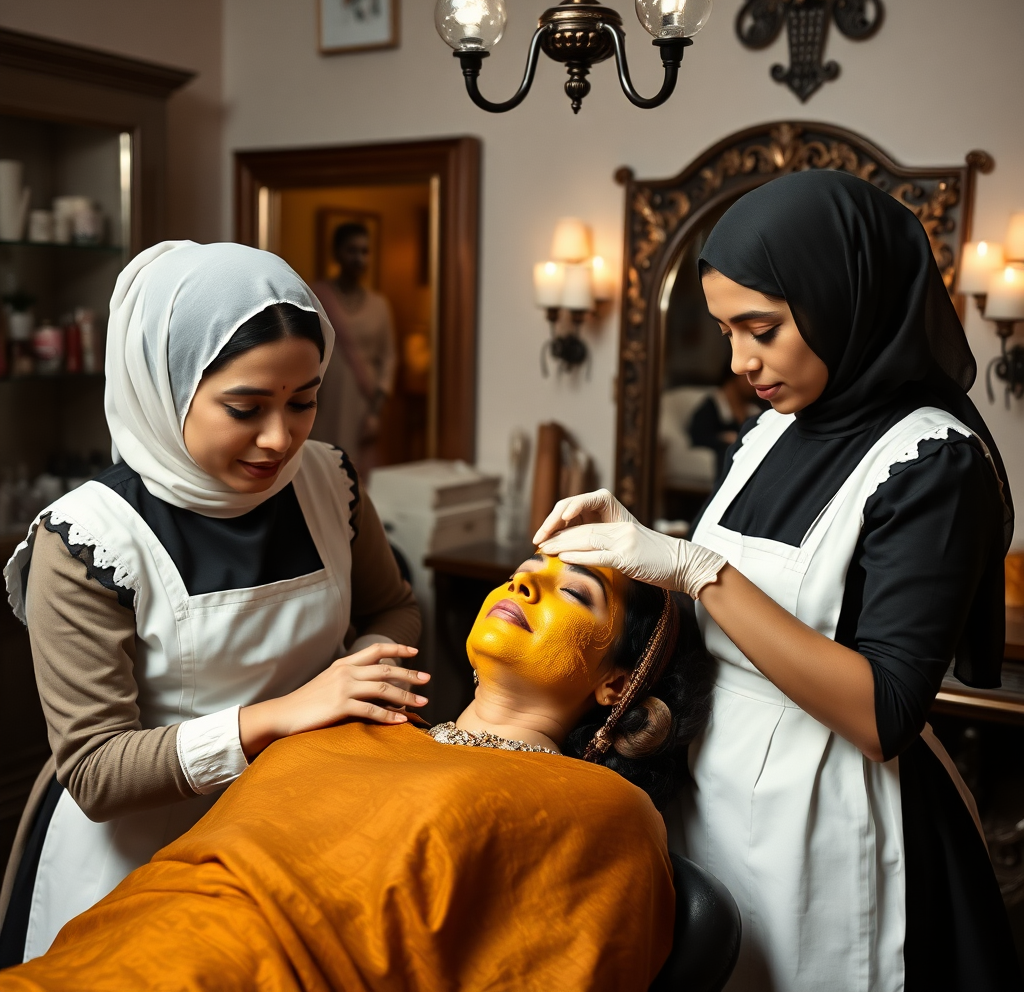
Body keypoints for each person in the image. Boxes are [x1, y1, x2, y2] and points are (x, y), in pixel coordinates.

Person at [535, 171, 1022, 991]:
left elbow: (883, 713)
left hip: (833, 810)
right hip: (719, 786)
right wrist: (643, 552)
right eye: (727, 331)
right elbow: (739, 602)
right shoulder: (772, 430)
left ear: (842, 299)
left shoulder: (932, 463)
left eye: (761, 328)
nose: (741, 362)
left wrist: (696, 568)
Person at [0, 555, 714, 992]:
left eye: (572, 593)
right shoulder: (352, 726)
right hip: (108, 951)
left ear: (617, 686)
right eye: (527, 573)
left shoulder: (604, 810)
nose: (525, 586)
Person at [0, 242, 422, 965]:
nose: (280, 438)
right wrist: (289, 714)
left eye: (305, 400)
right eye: (245, 407)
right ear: (163, 385)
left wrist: (361, 682)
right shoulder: (87, 541)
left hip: (294, 824)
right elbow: (97, 770)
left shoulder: (330, 483)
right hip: (133, 856)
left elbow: (394, 608)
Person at [311, 222, 396, 475]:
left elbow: (389, 358)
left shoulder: (379, 304)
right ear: (336, 253)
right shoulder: (317, 297)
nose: (359, 258)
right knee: (321, 467)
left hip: (362, 402)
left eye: (365, 251)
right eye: (352, 250)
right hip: (324, 400)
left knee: (355, 473)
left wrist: (375, 412)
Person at [687, 361, 765, 478]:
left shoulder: (754, 409)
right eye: (748, 375)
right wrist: (722, 438)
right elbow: (698, 437)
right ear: (735, 375)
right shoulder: (712, 406)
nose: (754, 382)